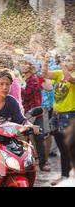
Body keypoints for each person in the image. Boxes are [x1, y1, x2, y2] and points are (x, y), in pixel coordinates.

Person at [42, 52, 75, 185]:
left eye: (69, 60)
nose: (66, 62)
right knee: (62, 148)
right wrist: (45, 60)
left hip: (70, 115)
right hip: (56, 115)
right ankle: (64, 175)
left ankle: (68, 176)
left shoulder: (69, 74)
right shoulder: (60, 72)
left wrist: (62, 64)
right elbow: (45, 74)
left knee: (69, 147)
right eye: (65, 59)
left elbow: (68, 77)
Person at [19, 55, 50, 172]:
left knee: (39, 138)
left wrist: (18, 87)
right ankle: (26, 163)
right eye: (21, 63)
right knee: (25, 138)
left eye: (25, 63)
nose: (22, 65)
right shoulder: (23, 78)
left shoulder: (34, 79)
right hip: (26, 112)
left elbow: (27, 94)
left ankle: (42, 163)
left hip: (35, 112)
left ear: (30, 66)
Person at [56, 120, 75, 187]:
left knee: (65, 151)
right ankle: (64, 175)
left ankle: (65, 175)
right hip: (58, 114)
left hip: (68, 114)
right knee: (63, 151)